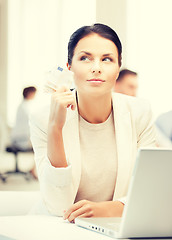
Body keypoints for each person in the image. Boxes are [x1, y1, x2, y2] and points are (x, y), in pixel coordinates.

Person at [29, 23, 156, 221]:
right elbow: (57, 205)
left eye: (107, 59)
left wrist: (108, 210)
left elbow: (150, 192)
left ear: (117, 68)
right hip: (58, 228)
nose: (96, 68)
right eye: (85, 58)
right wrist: (55, 127)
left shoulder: (140, 112)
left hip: (115, 226)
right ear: (69, 67)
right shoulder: (42, 119)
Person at [10, 86, 37, 178]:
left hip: (21, 137)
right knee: (42, 145)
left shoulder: (24, 106)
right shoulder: (24, 108)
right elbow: (29, 125)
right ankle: (34, 170)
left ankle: (33, 169)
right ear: (29, 94)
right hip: (20, 139)